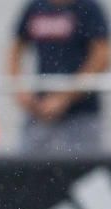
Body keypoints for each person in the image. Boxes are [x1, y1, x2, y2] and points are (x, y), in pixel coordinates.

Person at [9, 0, 110, 154]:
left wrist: (64, 98)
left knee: (84, 172)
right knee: (30, 169)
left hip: (82, 113)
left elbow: (101, 57)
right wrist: (21, 91)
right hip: (39, 110)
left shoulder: (89, 8)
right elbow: (15, 50)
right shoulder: (36, 7)